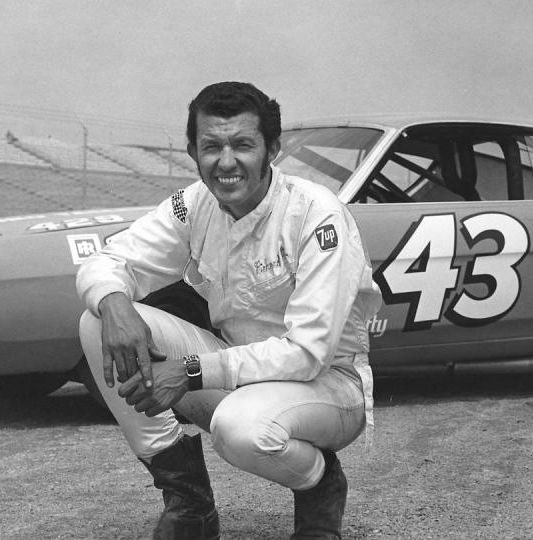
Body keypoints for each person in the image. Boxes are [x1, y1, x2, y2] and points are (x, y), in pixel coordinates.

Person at [77, 81, 382, 540]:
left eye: (242, 145)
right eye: (211, 147)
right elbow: (106, 260)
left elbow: (308, 352)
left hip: (329, 384)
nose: (226, 162)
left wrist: (192, 370)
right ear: (192, 151)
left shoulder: (317, 214)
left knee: (240, 429)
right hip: (236, 370)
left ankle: (319, 486)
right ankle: (190, 506)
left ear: (272, 149)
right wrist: (117, 303)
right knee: (97, 317)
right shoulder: (193, 204)